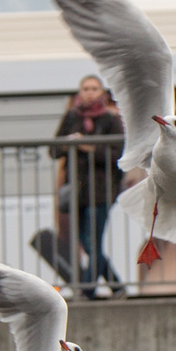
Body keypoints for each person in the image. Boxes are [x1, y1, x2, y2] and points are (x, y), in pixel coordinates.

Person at [51, 75, 124, 299]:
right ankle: (117, 286)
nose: (90, 92)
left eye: (94, 88)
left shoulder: (111, 120)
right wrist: (70, 144)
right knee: (87, 242)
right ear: (79, 92)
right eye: (85, 88)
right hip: (78, 191)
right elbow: (53, 151)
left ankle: (86, 290)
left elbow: (118, 154)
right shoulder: (72, 118)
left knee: (93, 241)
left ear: (102, 93)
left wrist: (89, 147)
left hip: (101, 191)